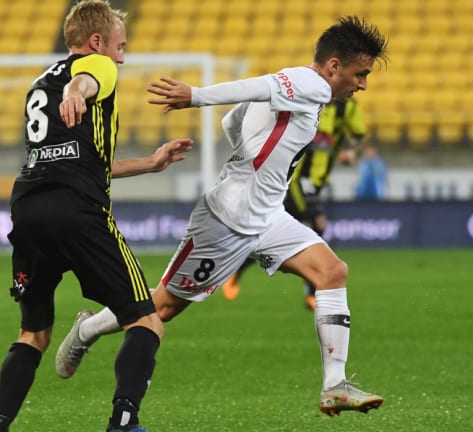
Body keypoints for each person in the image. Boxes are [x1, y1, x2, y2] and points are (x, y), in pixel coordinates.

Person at [55, 16, 388, 417]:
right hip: (227, 220)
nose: (362, 84)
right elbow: (255, 87)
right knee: (162, 308)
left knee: (332, 272)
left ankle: (334, 386)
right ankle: (86, 330)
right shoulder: (312, 84)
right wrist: (195, 96)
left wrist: (251, 162)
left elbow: (235, 120)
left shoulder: (298, 89)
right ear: (334, 66)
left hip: (268, 215)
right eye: (360, 74)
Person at [0, 2, 193, 432]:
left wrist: (150, 163)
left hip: (27, 207)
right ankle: (124, 423)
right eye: (120, 46)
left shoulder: (39, 84)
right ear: (97, 42)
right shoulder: (96, 66)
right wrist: (76, 92)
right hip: (77, 210)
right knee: (147, 320)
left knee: (34, 334)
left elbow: (81, 161)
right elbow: (86, 79)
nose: (122, 57)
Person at [221, 98, 367, 309]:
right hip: (295, 179)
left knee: (278, 233)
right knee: (316, 225)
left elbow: (358, 136)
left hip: (317, 182)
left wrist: (351, 150)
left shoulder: (348, 106)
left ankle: (237, 267)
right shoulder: (307, 97)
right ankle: (312, 293)